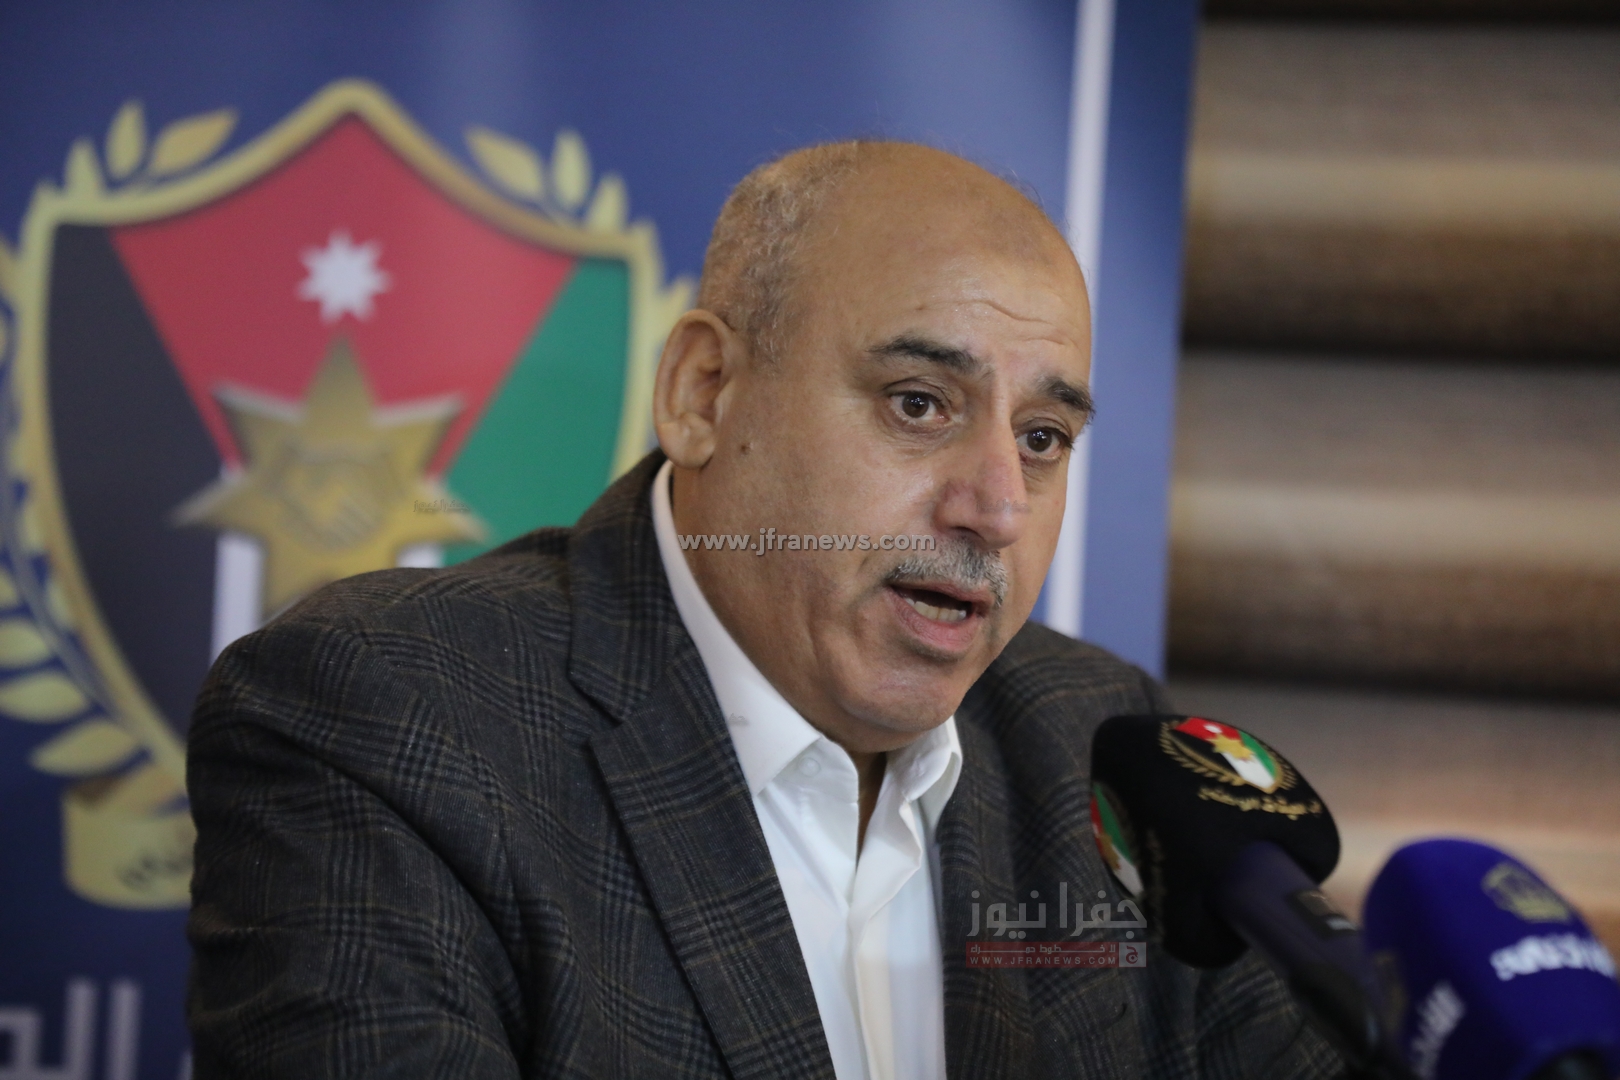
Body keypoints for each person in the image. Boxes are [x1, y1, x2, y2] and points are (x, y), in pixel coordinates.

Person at [187, 141, 1343, 1079]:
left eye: (1043, 438)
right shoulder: (390, 716)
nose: (997, 506)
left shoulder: (1099, 743)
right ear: (703, 393)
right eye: (919, 403)